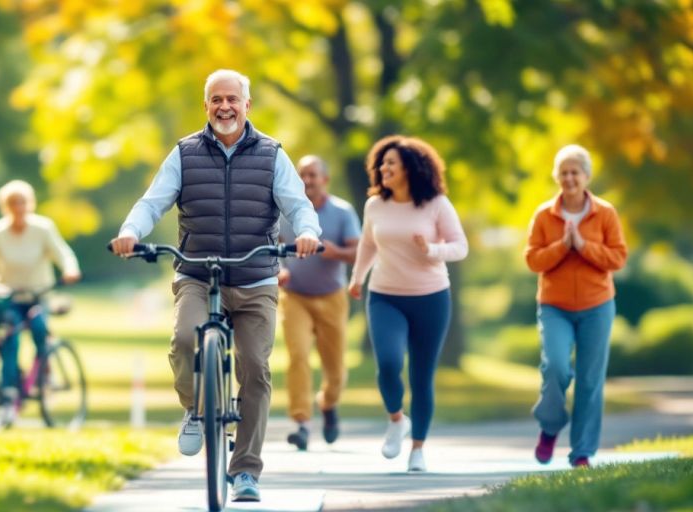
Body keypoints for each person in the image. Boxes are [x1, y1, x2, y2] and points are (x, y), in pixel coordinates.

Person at [110, 69, 321, 502]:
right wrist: (131, 231)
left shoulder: (272, 154)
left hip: (255, 275)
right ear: (206, 105)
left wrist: (307, 232)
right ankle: (195, 409)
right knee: (184, 340)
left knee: (256, 372)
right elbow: (153, 201)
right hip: (197, 273)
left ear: (248, 105)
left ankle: (245, 472)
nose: (224, 106)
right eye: (216, 100)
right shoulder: (184, 153)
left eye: (232, 99)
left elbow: (297, 204)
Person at [348, 135, 468, 472]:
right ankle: (397, 419)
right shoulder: (375, 205)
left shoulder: (436, 204)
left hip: (431, 299)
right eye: (382, 163)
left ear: (410, 169)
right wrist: (358, 277)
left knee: (421, 376)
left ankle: (418, 449)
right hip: (385, 296)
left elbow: (460, 247)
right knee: (387, 363)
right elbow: (368, 244)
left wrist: (431, 251)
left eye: (391, 164)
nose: (383, 168)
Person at [525, 144, 627, 468]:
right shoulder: (544, 215)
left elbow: (618, 257)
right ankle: (550, 426)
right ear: (557, 176)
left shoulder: (605, 213)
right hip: (555, 306)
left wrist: (583, 246)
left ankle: (582, 452)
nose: (569, 178)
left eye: (575, 172)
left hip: (597, 305)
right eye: (564, 172)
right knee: (555, 367)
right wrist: (561, 246)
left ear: (586, 176)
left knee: (589, 380)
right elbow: (532, 259)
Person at [0, 179, 82, 429]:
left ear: (30, 204)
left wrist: (70, 269)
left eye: (22, 202)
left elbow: (63, 253)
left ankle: (45, 376)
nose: (18, 207)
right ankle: (7, 398)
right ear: (5, 206)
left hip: (39, 294)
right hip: (8, 297)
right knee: (11, 339)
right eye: (13, 203)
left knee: (40, 328)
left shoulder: (43, 228)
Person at [278, 155, 361, 451]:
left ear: (325, 179)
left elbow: (357, 253)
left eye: (313, 174)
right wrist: (280, 270)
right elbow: (271, 247)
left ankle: (328, 403)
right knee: (298, 355)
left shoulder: (342, 212)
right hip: (295, 296)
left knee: (335, 368)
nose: (307, 180)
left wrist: (334, 251)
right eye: (302, 175)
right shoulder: (285, 212)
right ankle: (301, 422)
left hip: (331, 297)